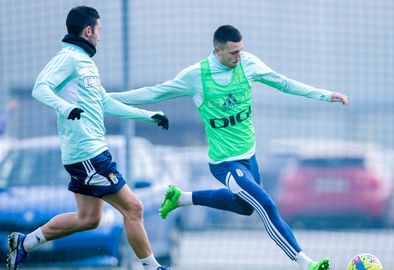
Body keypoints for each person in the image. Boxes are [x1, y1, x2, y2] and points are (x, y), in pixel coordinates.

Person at [108, 25, 349, 270]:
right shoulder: (196, 76)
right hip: (225, 163)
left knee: (244, 207)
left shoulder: (248, 64)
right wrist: (107, 98)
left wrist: (325, 95)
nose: (239, 57)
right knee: (265, 205)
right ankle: (305, 263)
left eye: (241, 51)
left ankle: (181, 197)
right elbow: (153, 93)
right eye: (234, 53)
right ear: (218, 51)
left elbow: (284, 83)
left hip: (249, 157)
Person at [6, 6, 170, 270]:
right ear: (88, 30)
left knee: (88, 218)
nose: (99, 37)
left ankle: (24, 244)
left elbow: (104, 102)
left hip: (87, 154)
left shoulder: (86, 63)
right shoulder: (68, 57)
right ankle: (153, 267)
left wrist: (149, 116)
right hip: (88, 153)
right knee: (134, 208)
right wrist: (64, 107)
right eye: (99, 31)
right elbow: (40, 87)